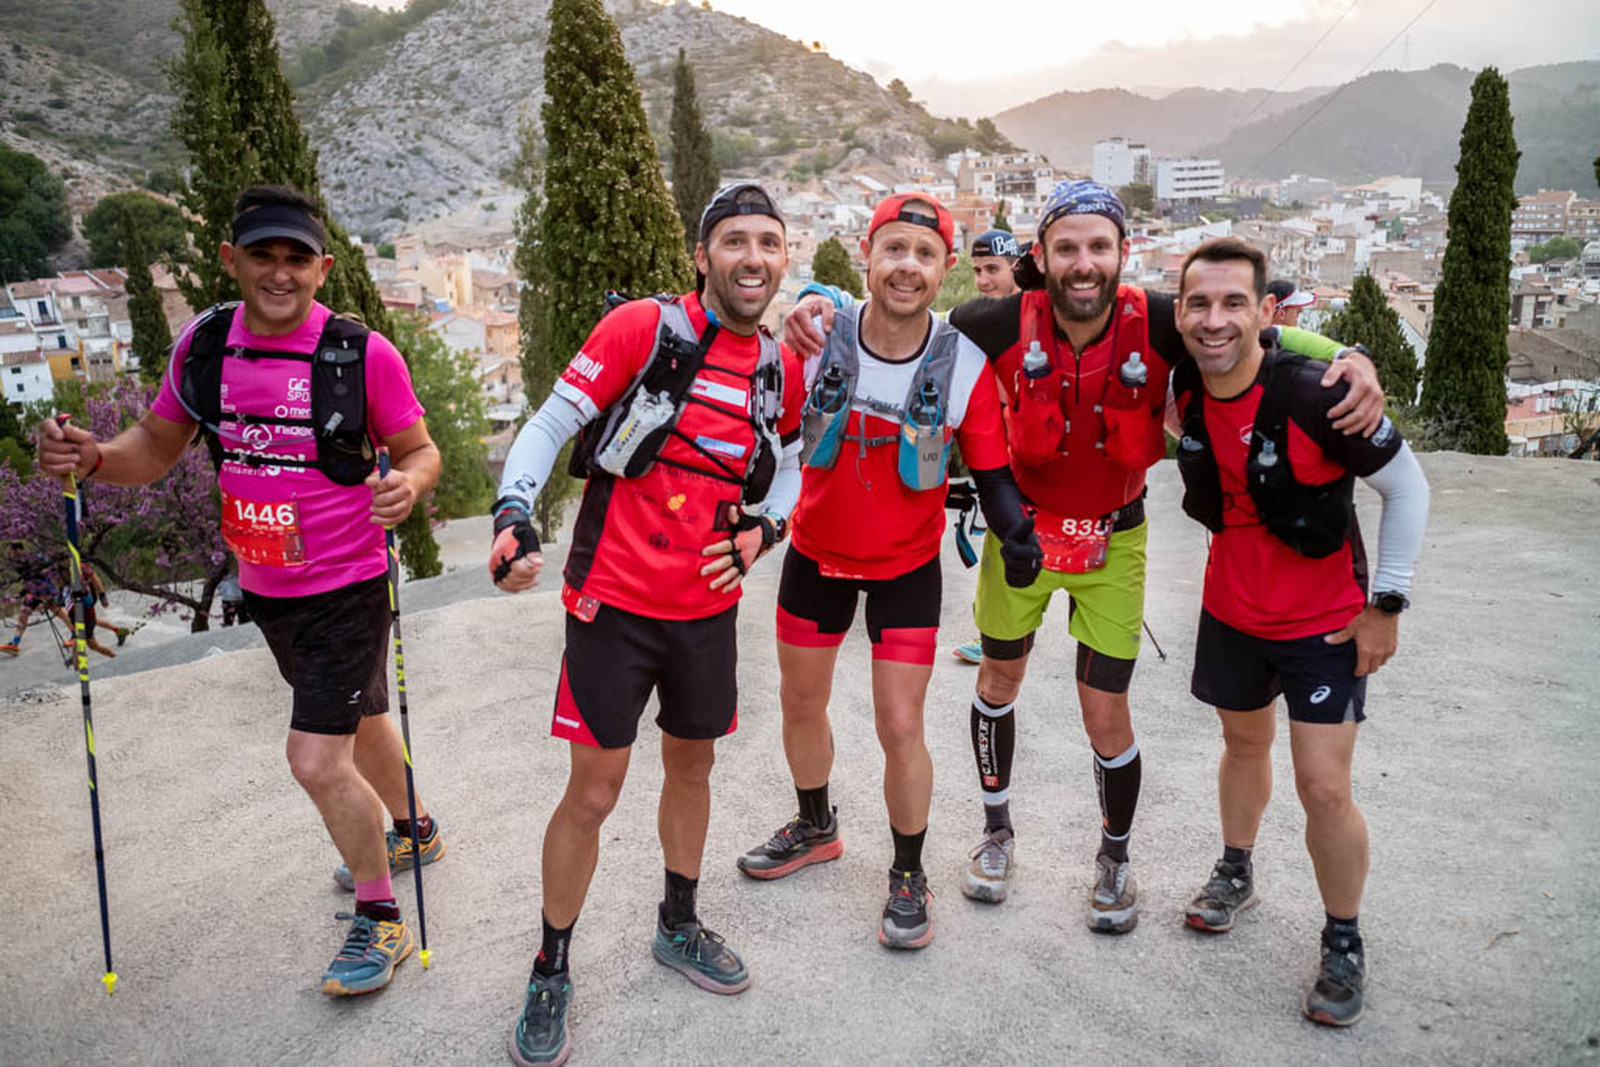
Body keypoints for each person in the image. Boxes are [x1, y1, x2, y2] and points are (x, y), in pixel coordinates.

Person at [784, 180, 1385, 929]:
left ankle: (1115, 855)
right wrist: (818, 304)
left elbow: (1254, 333)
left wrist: (1350, 354)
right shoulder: (993, 322)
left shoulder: (1159, 321)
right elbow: (900, 314)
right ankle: (996, 833)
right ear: (1041, 255)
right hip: (1024, 535)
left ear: (1122, 253)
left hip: (1115, 539)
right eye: (1066, 247)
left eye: (1099, 246)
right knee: (998, 680)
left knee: (1106, 711)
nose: (1083, 262)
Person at [37, 184, 444, 997]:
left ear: (324, 268)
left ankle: (380, 917)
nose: (280, 272)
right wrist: (94, 459)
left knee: (315, 756)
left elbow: (418, 448)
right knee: (361, 720)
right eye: (263, 254)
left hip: (348, 584)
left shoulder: (363, 355)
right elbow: (155, 444)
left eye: (298, 258)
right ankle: (415, 828)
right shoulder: (206, 347)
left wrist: (410, 483)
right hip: (268, 587)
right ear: (231, 259)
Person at [490, 182, 806, 1067]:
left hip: (706, 611)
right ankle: (550, 966)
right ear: (703, 256)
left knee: (693, 766)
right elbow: (551, 422)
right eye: (734, 240)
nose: (752, 257)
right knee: (594, 793)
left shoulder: (778, 367)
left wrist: (765, 531)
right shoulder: (643, 327)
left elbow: (791, 464)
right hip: (613, 605)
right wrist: (513, 512)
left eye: (769, 241)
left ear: (784, 257)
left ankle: (678, 921)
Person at [737, 192, 1039, 951]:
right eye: (894, 249)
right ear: (865, 256)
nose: (908, 266)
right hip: (815, 556)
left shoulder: (962, 363)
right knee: (800, 702)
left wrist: (1018, 533)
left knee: (900, 725)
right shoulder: (818, 336)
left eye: (925, 254)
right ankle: (816, 825)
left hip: (907, 568)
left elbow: (994, 472)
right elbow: (762, 428)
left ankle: (909, 871)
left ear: (945, 268)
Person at [1170, 237, 1428, 1027]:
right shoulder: (1183, 386)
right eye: (1198, 303)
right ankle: (1236, 869)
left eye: (1234, 303)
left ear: (1265, 311)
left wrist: (1387, 603)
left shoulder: (1320, 395)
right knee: (1243, 746)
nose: (1215, 319)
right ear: (1179, 314)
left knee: (1324, 786)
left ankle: (1343, 936)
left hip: (1324, 625)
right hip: (1232, 612)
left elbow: (1408, 488)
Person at [951, 229, 1025, 665]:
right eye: (977, 270)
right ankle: (993, 634)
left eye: (992, 269)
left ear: (1016, 267)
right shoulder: (976, 319)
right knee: (1001, 541)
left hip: (1043, 448)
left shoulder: (1038, 314)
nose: (982, 280)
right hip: (1001, 450)